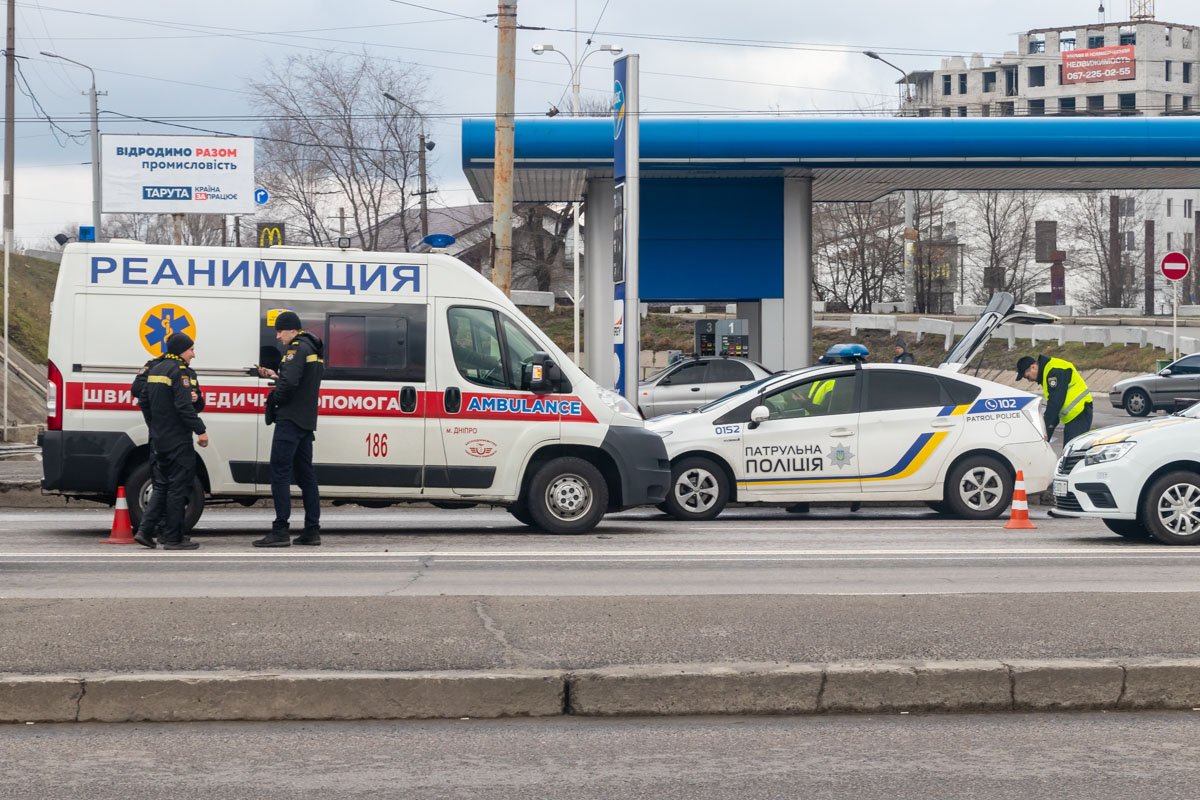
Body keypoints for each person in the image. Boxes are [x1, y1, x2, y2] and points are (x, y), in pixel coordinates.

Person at [254, 311, 324, 548]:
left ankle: (280, 530)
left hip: (290, 420)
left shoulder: (296, 348)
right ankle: (312, 530)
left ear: (291, 330)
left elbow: (291, 383)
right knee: (306, 476)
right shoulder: (312, 347)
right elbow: (299, 380)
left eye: (280, 330)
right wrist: (277, 375)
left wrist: (274, 398)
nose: (277, 336)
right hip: (305, 421)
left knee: (280, 473)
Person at [139, 333, 209, 550]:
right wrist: (201, 430)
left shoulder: (156, 369)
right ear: (181, 350)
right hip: (178, 439)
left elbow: (143, 401)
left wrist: (154, 426)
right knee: (179, 487)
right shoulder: (180, 372)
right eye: (191, 350)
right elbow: (183, 406)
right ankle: (173, 538)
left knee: (161, 486)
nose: (193, 354)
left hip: (159, 438)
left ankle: (144, 531)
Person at [1017, 354, 1094, 445]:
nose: (1029, 380)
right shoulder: (1047, 372)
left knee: (1073, 454)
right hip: (1076, 416)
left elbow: (1055, 404)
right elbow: (1055, 409)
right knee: (1070, 452)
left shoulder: (1053, 372)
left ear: (1033, 367)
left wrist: (1044, 430)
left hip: (1080, 414)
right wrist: (1047, 433)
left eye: (1027, 377)